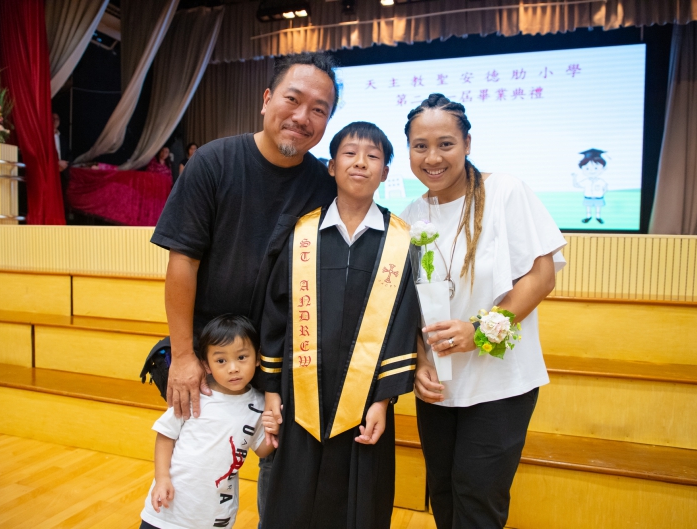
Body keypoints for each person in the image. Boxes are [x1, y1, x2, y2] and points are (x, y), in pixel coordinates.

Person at [149, 53, 339, 525]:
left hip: (281, 362)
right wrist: (184, 357)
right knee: (200, 472)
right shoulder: (214, 162)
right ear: (267, 99)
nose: (302, 116)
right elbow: (182, 261)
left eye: (319, 109)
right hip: (212, 361)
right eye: (293, 99)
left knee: (279, 471)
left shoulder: (323, 186)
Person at [400, 94, 566, 529]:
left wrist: (479, 331)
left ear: (467, 143)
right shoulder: (410, 216)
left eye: (445, 144)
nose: (432, 158)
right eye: (420, 146)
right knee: (444, 494)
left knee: (477, 501)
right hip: (439, 386)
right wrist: (420, 361)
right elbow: (407, 305)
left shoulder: (504, 191)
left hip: (500, 384)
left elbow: (541, 277)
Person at [260, 122, 420, 529]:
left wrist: (383, 400)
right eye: (349, 153)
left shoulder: (400, 241)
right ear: (331, 166)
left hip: (365, 403)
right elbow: (276, 313)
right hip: (299, 395)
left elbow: (403, 323)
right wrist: (272, 389)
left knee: (359, 504)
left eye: (373, 156)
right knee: (292, 501)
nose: (360, 163)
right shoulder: (301, 234)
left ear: (385, 172)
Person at [139, 314, 275, 529]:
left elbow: (262, 450)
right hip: (169, 509)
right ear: (207, 365)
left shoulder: (259, 404)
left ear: (258, 358)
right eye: (221, 361)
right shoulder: (195, 395)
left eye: (241, 357)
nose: (233, 368)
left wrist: (274, 428)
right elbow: (165, 435)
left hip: (214, 516)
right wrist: (162, 478)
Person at [572, 148, 609, 224]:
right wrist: (574, 178)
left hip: (598, 198)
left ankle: (598, 217)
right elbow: (577, 185)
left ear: (603, 168)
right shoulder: (586, 181)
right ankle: (588, 217)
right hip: (588, 198)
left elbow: (605, 188)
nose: (592, 171)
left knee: (598, 208)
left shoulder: (601, 181)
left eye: (596, 168)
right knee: (588, 208)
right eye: (587, 168)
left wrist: (602, 194)